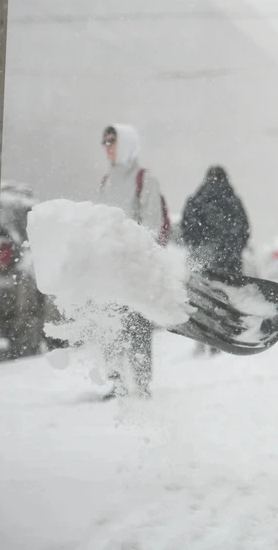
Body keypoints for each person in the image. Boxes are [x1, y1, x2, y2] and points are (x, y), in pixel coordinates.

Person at [97, 124, 164, 399]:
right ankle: (116, 380)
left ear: (126, 144)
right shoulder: (106, 181)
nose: (108, 147)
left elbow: (152, 224)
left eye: (113, 142)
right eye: (105, 143)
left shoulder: (144, 179)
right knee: (110, 324)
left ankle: (141, 380)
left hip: (135, 267)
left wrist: (132, 249)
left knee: (137, 324)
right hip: (109, 269)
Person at [180, 166, 251, 356]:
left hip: (203, 259)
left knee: (201, 298)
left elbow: (186, 229)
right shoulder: (233, 201)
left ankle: (201, 337)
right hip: (228, 262)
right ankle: (220, 339)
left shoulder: (196, 200)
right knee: (224, 299)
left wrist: (198, 248)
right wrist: (232, 250)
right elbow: (244, 230)